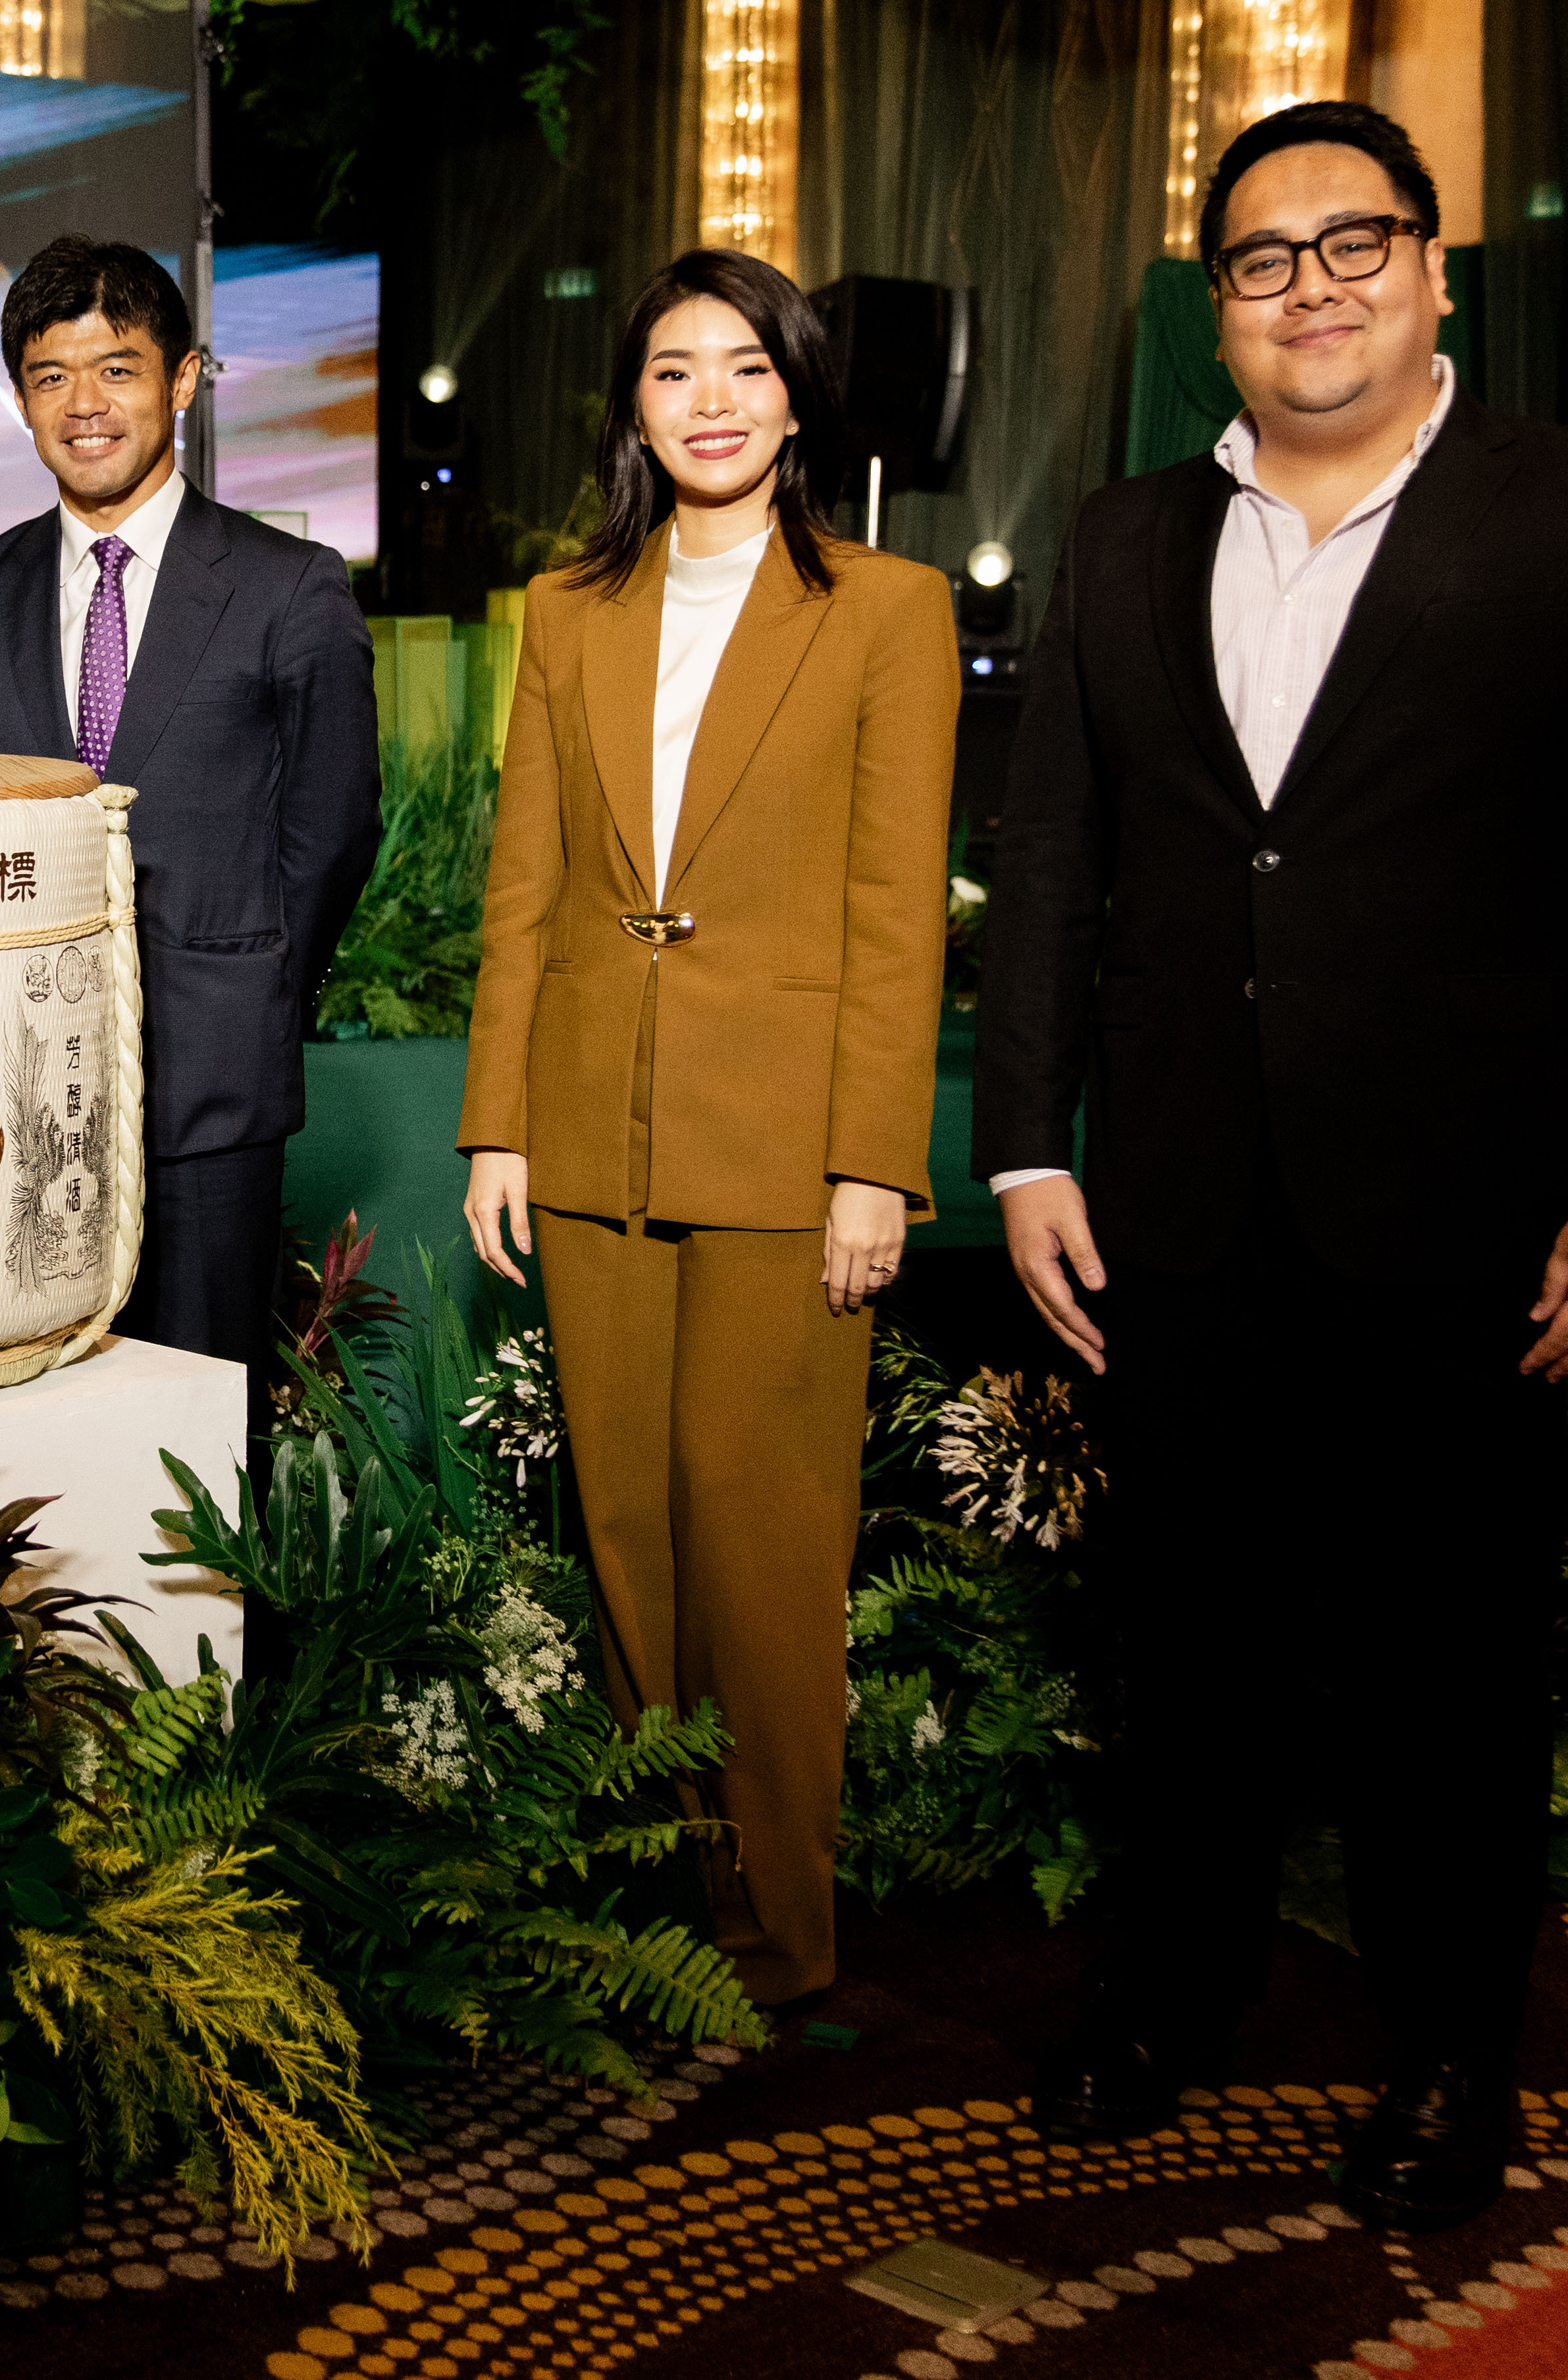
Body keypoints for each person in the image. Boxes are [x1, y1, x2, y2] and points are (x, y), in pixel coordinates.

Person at [973, 101, 1568, 2227]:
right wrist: (1027, 1151)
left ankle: (1448, 2054)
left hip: (1475, 1208)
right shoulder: (1126, 536)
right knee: (1189, 1649)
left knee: (1448, 1670)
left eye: (1353, 244)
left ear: (1433, 275)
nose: (1307, 286)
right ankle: (1173, 2000)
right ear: (1211, 307)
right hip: (1179, 1209)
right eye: (1260, 258)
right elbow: (1050, 867)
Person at [456, 249, 958, 2007]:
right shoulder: (569, 609)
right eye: (677, 371)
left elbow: (900, 913)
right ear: (635, 408)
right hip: (591, 1130)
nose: (715, 400)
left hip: (783, 1144)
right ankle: (652, 1889)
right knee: (621, 1529)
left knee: (764, 1536)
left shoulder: (885, 610)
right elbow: (522, 891)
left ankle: (785, 1919)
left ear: (799, 396)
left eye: (748, 366)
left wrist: (873, 1165)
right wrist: (497, 1125)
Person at [0, 235, 379, 1368]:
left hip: (214, 1082)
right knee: (32, 1413)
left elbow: (332, 831)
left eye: (118, 368)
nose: (85, 404)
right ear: (21, 399)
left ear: (180, 380)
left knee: (202, 1420)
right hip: (16, 1095)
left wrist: (258, 986)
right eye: (51, 376)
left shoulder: (288, 586)